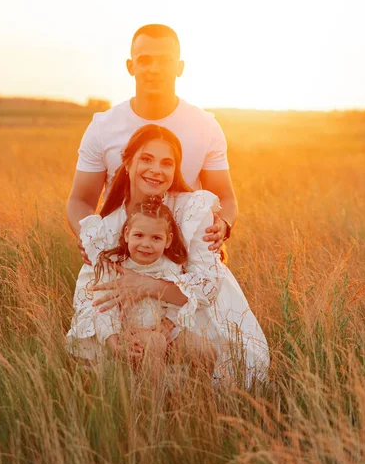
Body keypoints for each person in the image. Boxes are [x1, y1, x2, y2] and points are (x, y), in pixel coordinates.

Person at [66, 124, 269, 384]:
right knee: (124, 366)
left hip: (191, 314)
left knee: (208, 358)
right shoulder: (104, 227)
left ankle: (194, 406)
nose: (156, 170)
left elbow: (206, 289)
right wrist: (115, 338)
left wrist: (146, 286)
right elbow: (91, 297)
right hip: (126, 323)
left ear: (175, 171)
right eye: (146, 159)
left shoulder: (193, 209)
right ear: (127, 164)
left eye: (166, 163)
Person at [66, 24, 238, 260]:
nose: (154, 69)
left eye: (165, 60)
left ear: (179, 67)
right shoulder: (103, 126)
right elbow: (80, 200)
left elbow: (225, 198)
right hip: (120, 254)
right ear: (131, 66)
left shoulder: (205, 126)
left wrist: (224, 225)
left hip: (187, 255)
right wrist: (90, 237)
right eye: (145, 60)